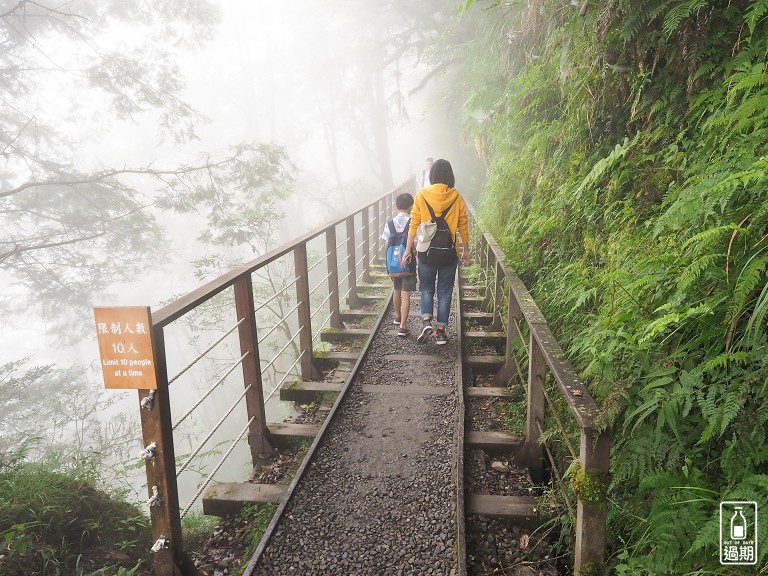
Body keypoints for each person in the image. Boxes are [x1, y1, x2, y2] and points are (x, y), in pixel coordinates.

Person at [403, 159, 470, 345]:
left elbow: (414, 223)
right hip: (449, 251)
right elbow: (463, 225)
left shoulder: (422, 195)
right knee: (445, 291)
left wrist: (408, 249)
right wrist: (465, 250)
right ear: (450, 175)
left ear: (431, 175)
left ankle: (426, 321)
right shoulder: (456, 197)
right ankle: (440, 332)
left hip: (425, 250)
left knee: (426, 288)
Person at [381, 192, 416, 337]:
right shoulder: (413, 222)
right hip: (407, 263)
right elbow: (415, 244)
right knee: (406, 294)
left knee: (396, 289)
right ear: (411, 206)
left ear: (396, 206)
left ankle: (397, 316)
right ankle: (403, 327)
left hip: (394, 264)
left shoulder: (389, 223)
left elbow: (385, 245)